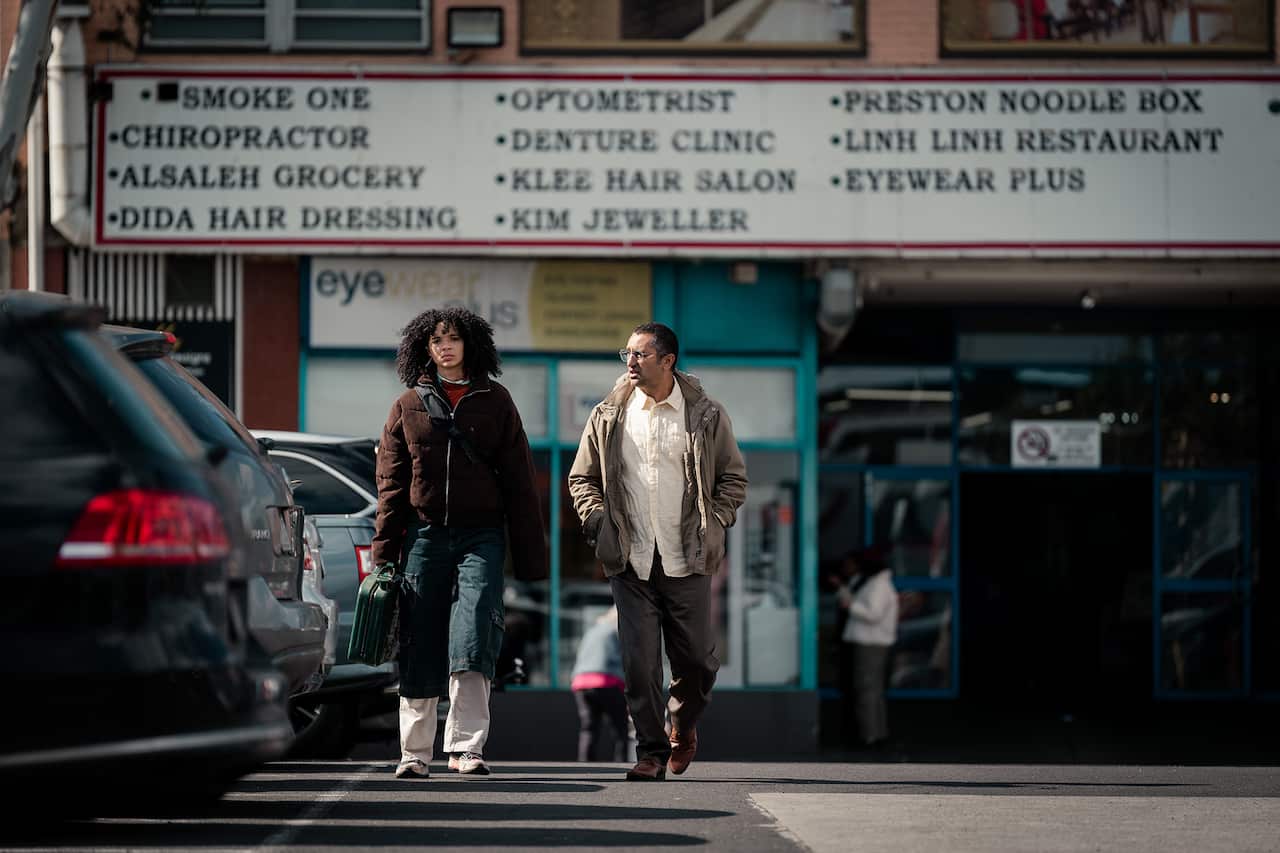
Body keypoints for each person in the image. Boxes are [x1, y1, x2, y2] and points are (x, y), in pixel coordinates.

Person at [371, 306, 546, 779]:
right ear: (423, 349)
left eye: (452, 338)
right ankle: (414, 753)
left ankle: (467, 748)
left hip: (482, 537)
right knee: (418, 640)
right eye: (434, 341)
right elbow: (390, 487)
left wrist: (531, 558)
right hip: (424, 536)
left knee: (473, 638)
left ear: (471, 343)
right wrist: (383, 555)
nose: (444, 346)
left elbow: (520, 484)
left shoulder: (497, 400)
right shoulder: (407, 405)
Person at [568, 322, 748, 782]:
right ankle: (649, 752)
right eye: (625, 353)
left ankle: (682, 728)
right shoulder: (609, 413)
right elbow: (581, 479)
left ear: (667, 361)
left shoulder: (705, 414)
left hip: (687, 557)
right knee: (638, 661)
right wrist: (597, 523)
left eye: (640, 354)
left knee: (696, 661)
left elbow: (733, 478)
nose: (630, 361)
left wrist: (717, 519)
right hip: (630, 559)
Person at [829, 547, 898, 748]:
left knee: (867, 691)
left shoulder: (878, 586)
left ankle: (870, 736)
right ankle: (874, 734)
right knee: (871, 691)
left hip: (870, 643)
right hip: (870, 643)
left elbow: (873, 614)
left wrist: (850, 606)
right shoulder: (875, 584)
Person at [570, 606, 631, 762]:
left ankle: (584, 765)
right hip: (607, 681)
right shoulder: (616, 631)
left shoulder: (592, 631)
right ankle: (622, 764)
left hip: (581, 682)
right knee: (620, 729)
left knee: (588, 727)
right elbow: (626, 659)